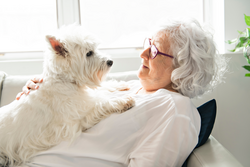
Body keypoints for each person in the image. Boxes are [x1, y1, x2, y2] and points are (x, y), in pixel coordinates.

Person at [16, 18, 226, 167]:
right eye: (148, 43)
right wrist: (41, 95)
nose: (143, 53)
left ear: (182, 67)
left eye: (154, 50)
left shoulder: (175, 110)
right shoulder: (134, 88)